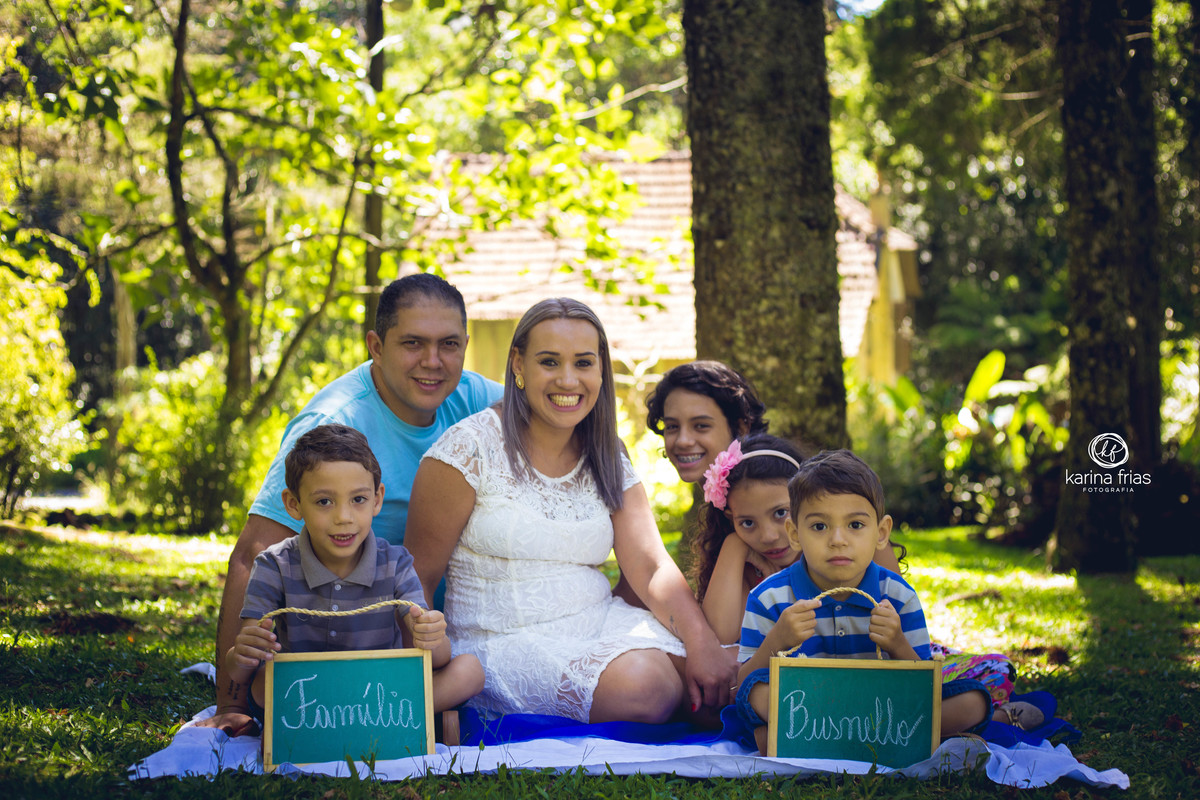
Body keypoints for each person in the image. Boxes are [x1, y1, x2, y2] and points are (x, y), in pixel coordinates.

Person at [404, 298, 737, 724]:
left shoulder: (606, 451)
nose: (568, 379)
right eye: (549, 362)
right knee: (647, 687)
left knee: (725, 677)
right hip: (502, 643)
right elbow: (415, 579)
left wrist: (702, 642)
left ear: (600, 370)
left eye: (583, 363)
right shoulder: (467, 449)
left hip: (600, 623)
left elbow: (651, 565)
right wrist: (419, 677)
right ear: (518, 364)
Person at [202, 273, 502, 735]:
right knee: (273, 687)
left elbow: (553, 409)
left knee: (466, 671)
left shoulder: (474, 397)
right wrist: (230, 703)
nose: (433, 361)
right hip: (334, 640)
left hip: (420, 635)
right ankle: (394, 712)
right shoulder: (333, 423)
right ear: (376, 347)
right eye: (413, 343)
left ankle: (397, 709)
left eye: (449, 344)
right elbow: (253, 552)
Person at [730, 449, 1034, 754]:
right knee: (758, 696)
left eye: (855, 525)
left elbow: (924, 684)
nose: (838, 540)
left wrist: (897, 643)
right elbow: (744, 685)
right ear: (795, 534)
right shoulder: (768, 599)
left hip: (882, 708)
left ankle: (799, 740)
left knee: (973, 702)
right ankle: (899, 740)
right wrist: (777, 640)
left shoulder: (898, 597)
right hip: (810, 706)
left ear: (881, 532)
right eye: (819, 526)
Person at [225, 424, 484, 723]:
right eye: (324, 502)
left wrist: (431, 635)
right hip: (308, 697)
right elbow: (242, 671)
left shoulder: (396, 564)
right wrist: (242, 654)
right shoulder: (274, 565)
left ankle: (365, 717)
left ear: (377, 499)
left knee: (469, 671)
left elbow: (438, 658)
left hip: (384, 692)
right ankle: (366, 719)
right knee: (262, 686)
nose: (343, 518)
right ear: (294, 504)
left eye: (358, 499)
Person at [645, 361, 904, 583]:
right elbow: (720, 625)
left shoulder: (824, 505)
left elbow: (899, 607)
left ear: (741, 427)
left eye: (701, 425)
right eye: (672, 426)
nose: (682, 441)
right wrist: (736, 547)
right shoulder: (727, 529)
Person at [692, 432, 808, 644]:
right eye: (747, 523)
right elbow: (719, 636)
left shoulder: (847, 546)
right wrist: (734, 545)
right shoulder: (747, 571)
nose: (768, 536)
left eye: (781, 513)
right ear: (731, 520)